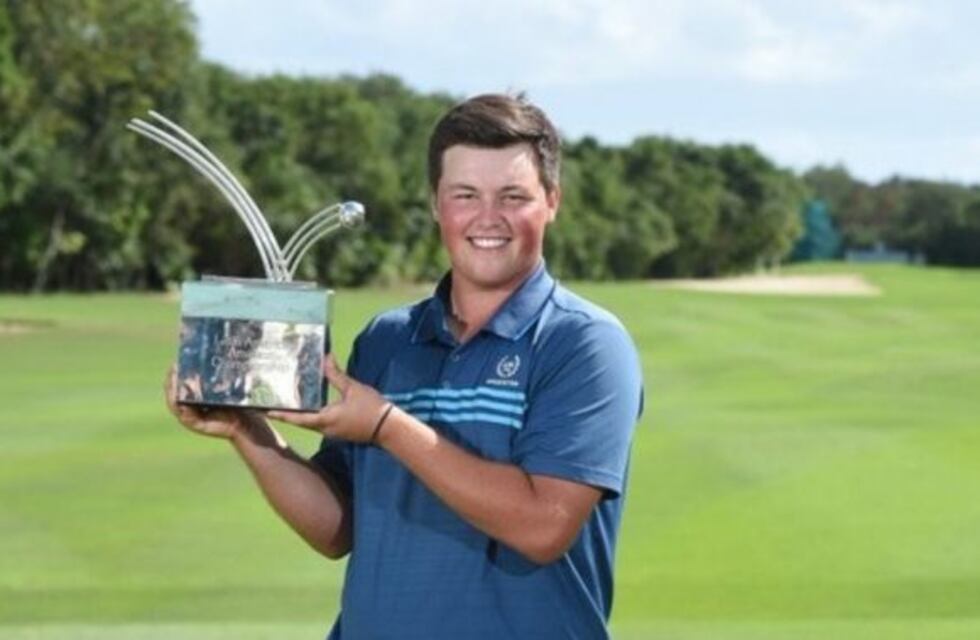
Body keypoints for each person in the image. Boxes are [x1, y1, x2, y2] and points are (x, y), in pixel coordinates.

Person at [165, 93, 643, 639]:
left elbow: (542, 526)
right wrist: (248, 432)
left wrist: (387, 426)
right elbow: (337, 529)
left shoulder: (585, 345)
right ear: (437, 203)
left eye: (513, 196)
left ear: (552, 201)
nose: (488, 218)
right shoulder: (389, 340)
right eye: (465, 194)